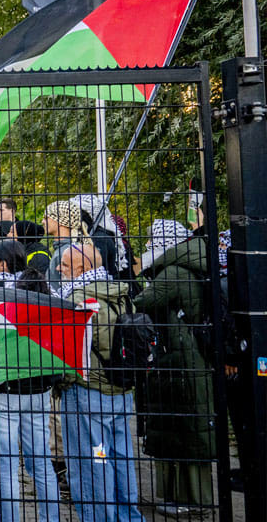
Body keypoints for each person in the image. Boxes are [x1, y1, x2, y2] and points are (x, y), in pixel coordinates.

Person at [53, 244, 145, 522]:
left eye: (66, 265)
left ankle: (98, 516)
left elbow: (71, 353)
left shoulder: (79, 300)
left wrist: (64, 383)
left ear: (83, 269)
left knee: (93, 459)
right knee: (120, 456)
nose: (59, 269)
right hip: (120, 392)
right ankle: (128, 514)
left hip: (88, 393)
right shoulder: (121, 294)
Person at [134, 220, 214, 515]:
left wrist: (134, 276)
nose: (146, 249)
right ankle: (189, 497)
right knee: (186, 427)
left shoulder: (172, 274)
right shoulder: (189, 267)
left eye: (151, 243)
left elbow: (141, 302)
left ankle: (188, 500)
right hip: (185, 357)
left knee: (183, 427)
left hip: (179, 360)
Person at [0, 240, 61, 522]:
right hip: (38, 386)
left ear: (1, 263)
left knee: (5, 465)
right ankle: (50, 517)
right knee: (40, 460)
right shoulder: (43, 290)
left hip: (1, 386)